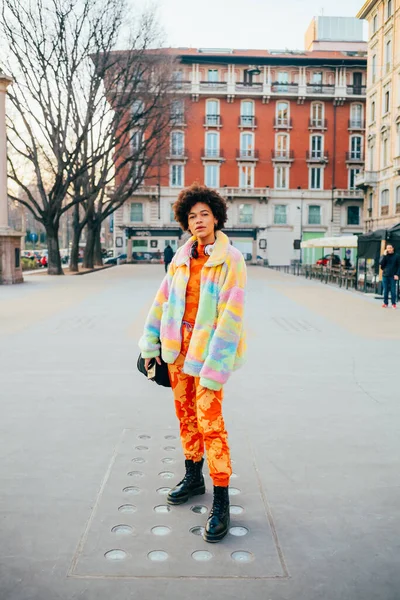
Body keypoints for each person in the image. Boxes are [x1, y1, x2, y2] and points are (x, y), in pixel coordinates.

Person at [139, 183, 247, 543]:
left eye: (204, 214)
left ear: (216, 217)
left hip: (208, 353)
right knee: (185, 416)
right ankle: (193, 475)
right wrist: (150, 343)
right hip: (177, 350)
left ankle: (221, 502)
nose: (198, 220)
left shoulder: (230, 259)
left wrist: (217, 367)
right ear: (185, 223)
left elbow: (232, 316)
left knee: (211, 423)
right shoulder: (182, 257)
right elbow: (163, 302)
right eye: (191, 216)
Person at [379, 243, 400, 308]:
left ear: (393, 248)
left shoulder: (397, 256)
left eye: (390, 248)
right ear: (386, 249)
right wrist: (384, 255)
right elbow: (381, 264)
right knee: (385, 290)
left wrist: (397, 274)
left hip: (393, 276)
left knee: (393, 290)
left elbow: (399, 266)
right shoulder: (384, 256)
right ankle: (385, 303)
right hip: (385, 275)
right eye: (388, 248)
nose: (389, 249)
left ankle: (393, 303)